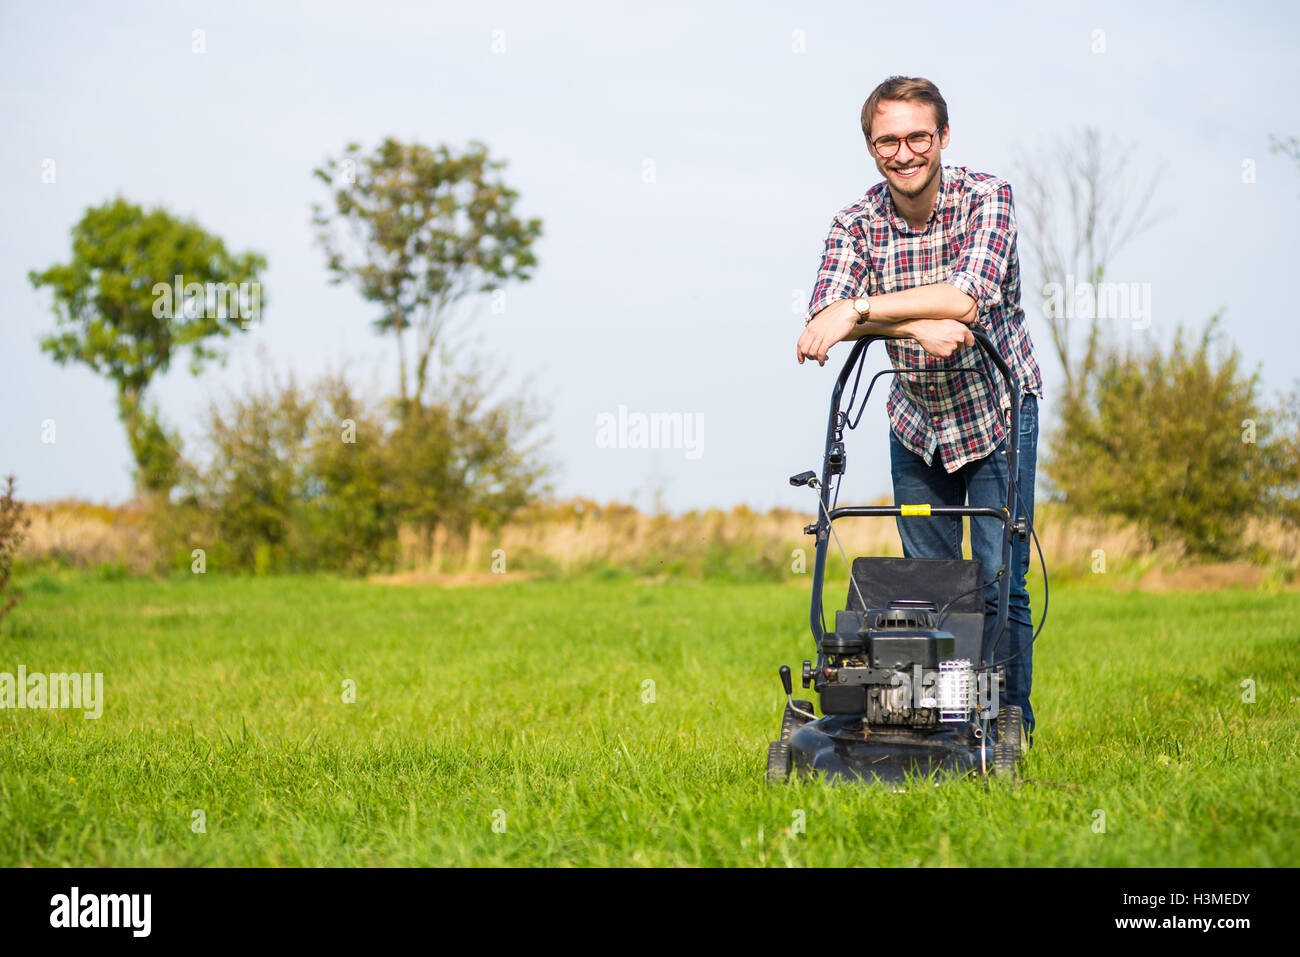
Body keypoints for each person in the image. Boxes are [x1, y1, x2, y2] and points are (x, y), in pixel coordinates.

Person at [795, 75, 1043, 745]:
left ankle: (1006, 717)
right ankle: (942, 721)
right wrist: (907, 328)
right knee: (932, 588)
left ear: (943, 137)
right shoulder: (855, 222)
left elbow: (967, 297)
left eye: (917, 137)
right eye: (887, 140)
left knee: (998, 580)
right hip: (917, 422)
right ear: (871, 146)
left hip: (996, 413)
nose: (903, 152)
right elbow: (821, 321)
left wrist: (866, 309)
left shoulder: (987, 197)